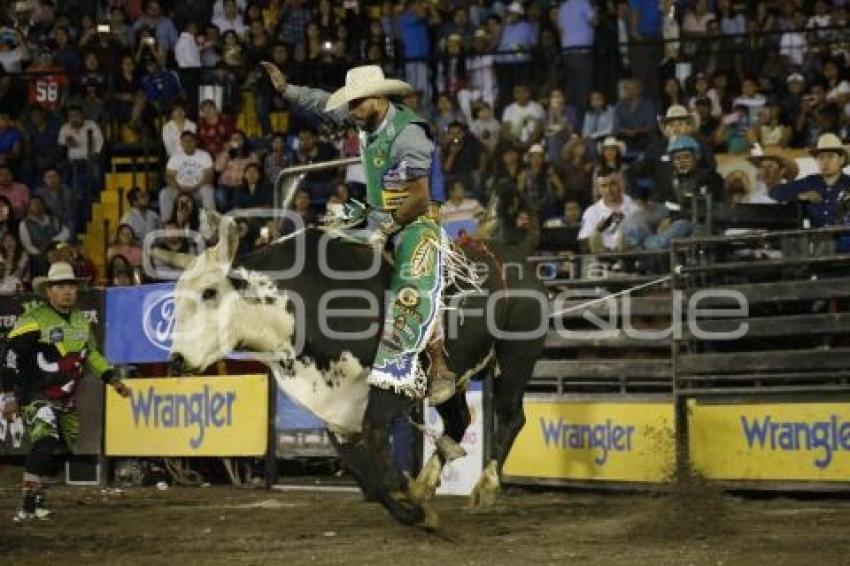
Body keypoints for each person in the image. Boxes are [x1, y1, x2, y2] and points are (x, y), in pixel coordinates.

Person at [262, 61, 456, 405]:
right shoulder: (365, 117)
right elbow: (324, 103)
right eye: (349, 103)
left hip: (416, 215)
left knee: (412, 280)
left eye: (356, 102)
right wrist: (286, 90)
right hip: (377, 209)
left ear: (377, 98)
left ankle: (439, 364)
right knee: (325, 243)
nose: (350, 110)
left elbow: (420, 195)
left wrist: (390, 226)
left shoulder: (410, 132)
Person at [1, 261, 131, 521]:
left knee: (62, 450)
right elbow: (10, 356)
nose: (67, 291)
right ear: (49, 291)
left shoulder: (81, 321)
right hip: (35, 394)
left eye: (71, 285)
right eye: (60, 286)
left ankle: (37, 501)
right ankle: (26, 506)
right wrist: (8, 395)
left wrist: (112, 379)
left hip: (65, 399)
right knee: (46, 441)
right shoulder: (33, 319)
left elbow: (91, 354)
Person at [769, 133, 850, 247]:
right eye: (821, 157)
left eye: (831, 156)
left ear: (841, 160)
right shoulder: (810, 182)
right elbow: (776, 191)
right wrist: (800, 196)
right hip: (817, 248)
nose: (825, 162)